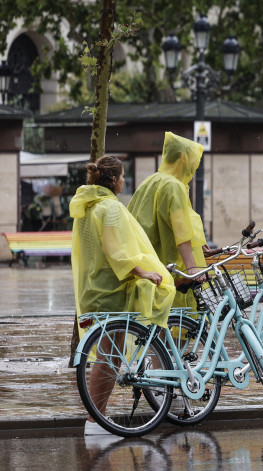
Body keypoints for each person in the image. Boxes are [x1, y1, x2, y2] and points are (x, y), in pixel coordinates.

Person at [70, 155, 176, 435]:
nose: (124, 180)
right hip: (112, 288)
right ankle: (95, 421)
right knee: (108, 356)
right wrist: (143, 273)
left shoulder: (89, 205)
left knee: (108, 355)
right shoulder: (110, 208)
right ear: (114, 180)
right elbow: (116, 251)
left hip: (96, 285)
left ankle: (97, 419)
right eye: (122, 176)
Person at [127, 132, 207, 308]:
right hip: (170, 267)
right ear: (183, 158)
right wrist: (192, 267)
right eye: (194, 162)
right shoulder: (174, 186)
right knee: (177, 320)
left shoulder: (149, 181)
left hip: (148, 263)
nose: (194, 168)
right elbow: (181, 229)